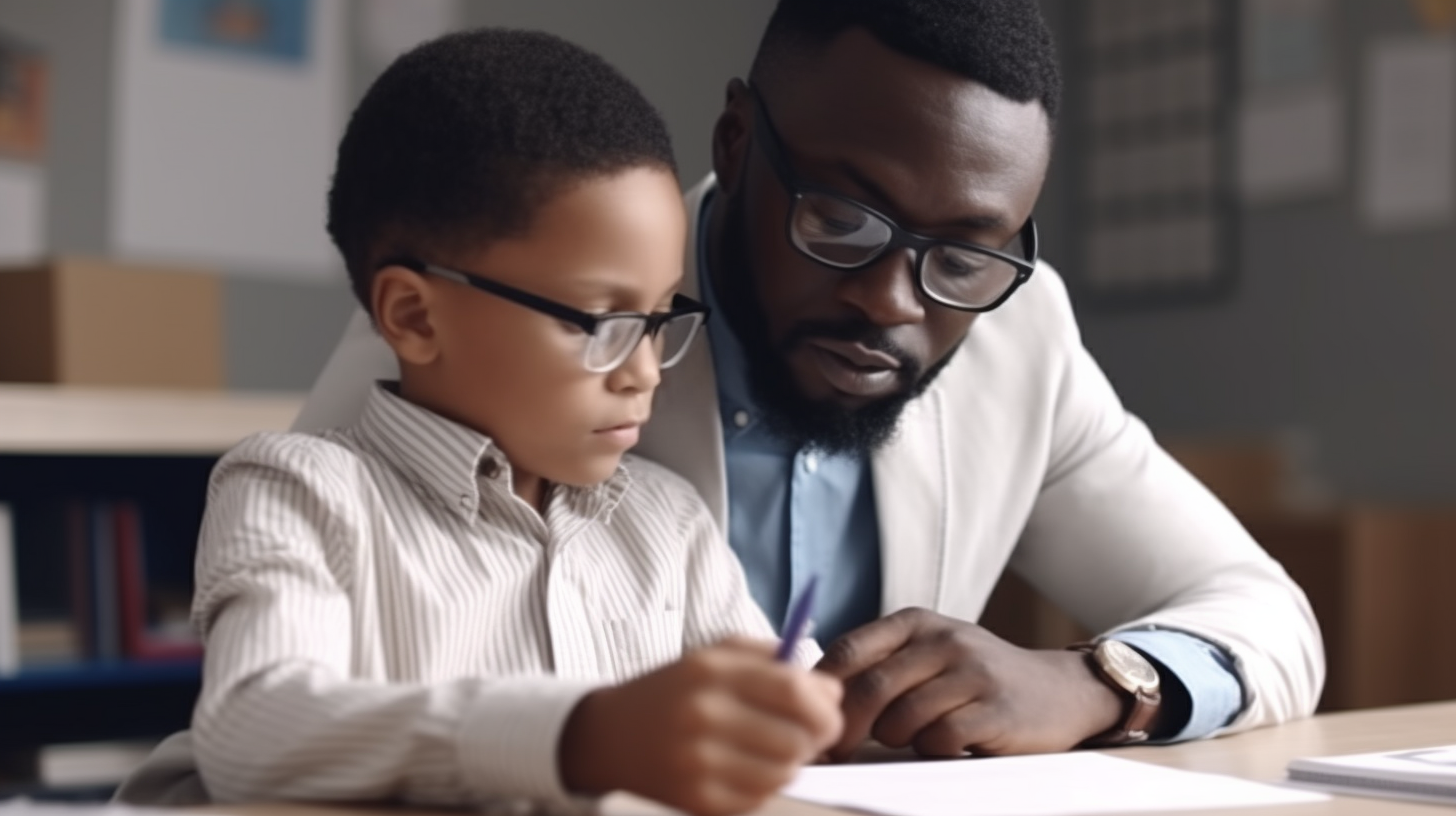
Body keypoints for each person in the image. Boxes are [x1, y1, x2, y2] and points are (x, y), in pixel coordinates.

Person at [298, 0, 1324, 760]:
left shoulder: (1022, 331)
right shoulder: (510, 310)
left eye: (965, 254)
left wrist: (1091, 682)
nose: (894, 302)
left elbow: (1264, 616)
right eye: (842, 219)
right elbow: (286, 723)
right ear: (738, 143)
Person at [116, 29, 842, 816]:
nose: (644, 370)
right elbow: (254, 730)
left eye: (662, 315)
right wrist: (580, 738)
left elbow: (795, 720)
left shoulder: (668, 523)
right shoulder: (301, 491)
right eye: (599, 321)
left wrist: (852, 714)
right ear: (414, 317)